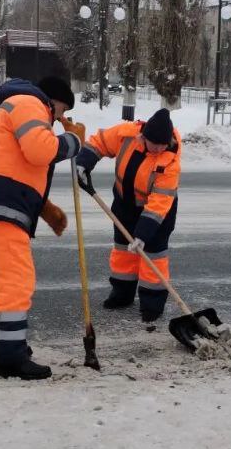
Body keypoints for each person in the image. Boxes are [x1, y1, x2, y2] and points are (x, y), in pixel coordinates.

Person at [0, 75, 82, 380]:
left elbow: (19, 165)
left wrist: (44, 208)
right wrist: (73, 141)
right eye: (61, 111)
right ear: (53, 100)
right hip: (1, 206)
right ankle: (10, 358)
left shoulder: (19, 104)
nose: (60, 118)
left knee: (3, 280)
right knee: (17, 279)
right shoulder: (30, 103)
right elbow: (40, 152)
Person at [75, 108, 181, 324]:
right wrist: (83, 162)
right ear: (144, 136)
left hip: (157, 213)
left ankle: (152, 304)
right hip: (125, 204)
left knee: (153, 255)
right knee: (123, 250)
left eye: (163, 144)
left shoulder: (170, 162)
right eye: (155, 144)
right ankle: (122, 294)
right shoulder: (127, 134)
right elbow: (100, 142)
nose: (159, 148)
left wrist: (143, 233)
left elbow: (160, 201)